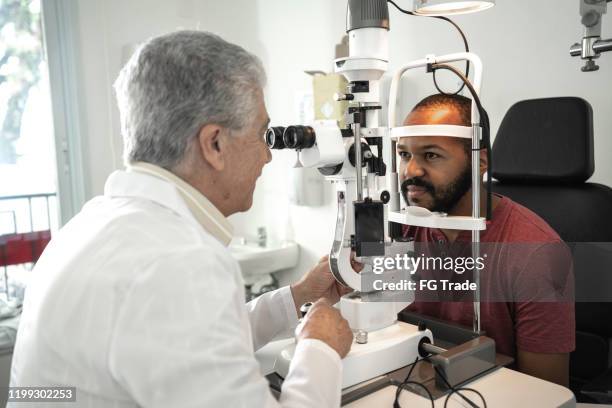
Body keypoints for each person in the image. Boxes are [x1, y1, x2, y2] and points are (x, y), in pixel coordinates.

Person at [9, 31, 353, 407]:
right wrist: (320, 349)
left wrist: (297, 296)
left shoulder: (91, 225)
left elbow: (187, 345)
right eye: (261, 134)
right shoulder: (179, 261)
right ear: (215, 144)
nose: (268, 157)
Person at [396, 93, 575, 386]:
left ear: (480, 161)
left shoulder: (536, 253)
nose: (411, 171)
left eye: (431, 155)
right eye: (404, 154)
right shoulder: (401, 230)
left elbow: (546, 393)